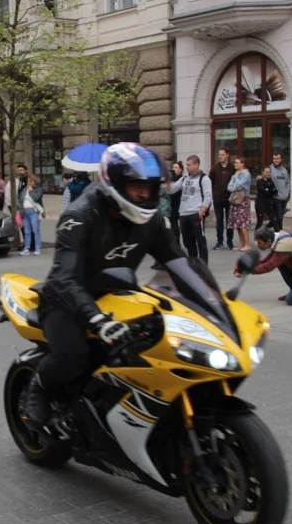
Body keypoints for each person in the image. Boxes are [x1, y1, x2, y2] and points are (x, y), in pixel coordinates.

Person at [24, 143, 183, 428]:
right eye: (137, 187)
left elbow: (176, 261)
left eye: (151, 187)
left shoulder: (152, 219)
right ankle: (39, 386)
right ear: (117, 185)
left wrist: (210, 301)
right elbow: (65, 278)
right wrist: (95, 318)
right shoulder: (79, 216)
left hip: (117, 297)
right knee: (74, 356)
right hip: (65, 301)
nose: (145, 195)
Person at [170, 155, 212, 263]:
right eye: (186, 165)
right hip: (183, 214)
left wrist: (200, 213)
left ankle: (203, 265)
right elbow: (172, 189)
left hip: (195, 213)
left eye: (189, 165)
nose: (187, 167)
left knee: (200, 241)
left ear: (196, 165)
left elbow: (208, 198)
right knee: (188, 241)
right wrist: (165, 182)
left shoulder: (204, 179)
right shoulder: (184, 178)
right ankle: (193, 262)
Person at [210, 148, 235, 250]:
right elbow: (210, 181)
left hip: (229, 198)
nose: (220, 156)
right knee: (219, 220)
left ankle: (230, 241)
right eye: (219, 155)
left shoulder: (232, 168)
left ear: (227, 155)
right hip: (218, 198)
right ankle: (219, 241)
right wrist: (213, 194)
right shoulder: (215, 168)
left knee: (230, 221)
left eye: (222, 155)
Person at [227, 158, 253, 251]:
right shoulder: (235, 174)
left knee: (242, 223)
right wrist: (236, 186)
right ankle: (241, 243)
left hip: (243, 199)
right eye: (235, 163)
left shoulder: (246, 174)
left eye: (237, 163)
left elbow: (238, 184)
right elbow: (229, 187)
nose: (235, 164)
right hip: (235, 198)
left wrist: (236, 179)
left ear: (243, 164)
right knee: (237, 223)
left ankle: (247, 244)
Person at [19, 173, 45, 256]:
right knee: (27, 231)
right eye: (28, 181)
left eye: (31, 181)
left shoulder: (39, 189)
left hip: (34, 211)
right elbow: (20, 201)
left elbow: (37, 198)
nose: (29, 182)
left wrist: (31, 191)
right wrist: (21, 210)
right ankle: (27, 248)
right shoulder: (24, 190)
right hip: (25, 212)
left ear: (35, 182)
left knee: (35, 230)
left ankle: (37, 248)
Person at [269, 152, 290, 232]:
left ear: (281, 159)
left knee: (279, 217)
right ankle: (279, 232)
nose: (276, 160)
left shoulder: (284, 170)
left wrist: (287, 192)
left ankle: (267, 229)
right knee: (279, 217)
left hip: (283, 198)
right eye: (274, 159)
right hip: (274, 197)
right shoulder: (270, 169)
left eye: (278, 158)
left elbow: (287, 182)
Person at [255, 166, 277, 231]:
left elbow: (275, 191)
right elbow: (264, 191)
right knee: (260, 221)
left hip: (268, 203)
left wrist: (268, 190)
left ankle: (277, 236)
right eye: (266, 172)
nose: (268, 173)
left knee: (274, 220)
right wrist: (269, 190)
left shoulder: (270, 181)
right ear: (263, 172)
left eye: (269, 172)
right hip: (260, 203)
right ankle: (257, 237)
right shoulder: (260, 180)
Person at [168, 161, 183, 245]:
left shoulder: (181, 179)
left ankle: (177, 242)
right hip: (170, 203)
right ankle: (172, 241)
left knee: (174, 223)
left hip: (178, 203)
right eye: (173, 167)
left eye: (176, 167)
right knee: (170, 223)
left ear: (180, 170)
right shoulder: (170, 177)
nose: (174, 169)